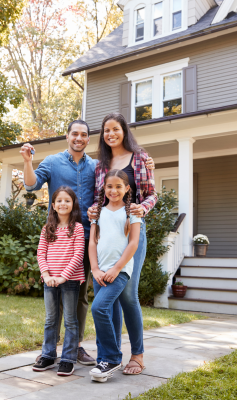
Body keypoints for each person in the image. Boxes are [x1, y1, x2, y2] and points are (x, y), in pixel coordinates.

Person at [20, 119, 154, 365]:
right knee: (57, 294)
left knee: (83, 296)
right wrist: (28, 162)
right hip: (66, 238)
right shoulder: (54, 162)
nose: (79, 138)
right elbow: (31, 185)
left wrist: (146, 173)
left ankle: (77, 347)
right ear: (67, 136)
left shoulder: (99, 165)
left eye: (84, 134)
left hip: (98, 236)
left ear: (89, 139)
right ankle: (51, 350)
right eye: (74, 134)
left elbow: (137, 191)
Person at [88, 112, 157, 375]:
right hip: (107, 232)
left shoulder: (140, 157)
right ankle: (111, 355)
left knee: (128, 295)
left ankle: (137, 356)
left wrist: (142, 208)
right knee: (109, 296)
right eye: (106, 130)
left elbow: (152, 194)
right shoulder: (100, 164)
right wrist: (93, 212)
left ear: (123, 130)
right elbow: (99, 198)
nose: (111, 134)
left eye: (115, 129)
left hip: (131, 229)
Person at [88, 169, 141, 383]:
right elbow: (92, 242)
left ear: (127, 189)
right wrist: (95, 269)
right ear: (104, 188)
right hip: (99, 271)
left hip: (119, 271)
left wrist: (117, 268)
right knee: (106, 312)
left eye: (119, 186)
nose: (114, 190)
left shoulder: (132, 212)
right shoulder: (97, 212)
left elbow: (134, 243)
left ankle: (111, 358)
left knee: (98, 307)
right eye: (109, 186)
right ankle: (104, 361)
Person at [33, 186, 85, 376]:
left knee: (70, 320)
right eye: (59, 201)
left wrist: (64, 275)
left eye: (67, 200)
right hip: (49, 280)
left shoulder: (77, 228)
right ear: (53, 205)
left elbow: (79, 254)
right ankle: (47, 355)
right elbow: (41, 252)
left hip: (69, 280)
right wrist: (46, 275)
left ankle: (68, 359)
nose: (63, 203)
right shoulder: (48, 228)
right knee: (50, 319)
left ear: (73, 205)